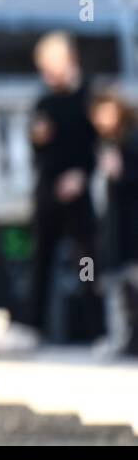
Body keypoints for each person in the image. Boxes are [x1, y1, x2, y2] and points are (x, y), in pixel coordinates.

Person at [24, 31, 99, 342]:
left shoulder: (90, 97)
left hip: (79, 192)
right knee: (40, 259)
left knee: (86, 262)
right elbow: (36, 151)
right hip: (48, 190)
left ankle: (98, 329)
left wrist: (81, 175)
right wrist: (37, 140)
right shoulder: (44, 101)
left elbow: (99, 146)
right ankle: (32, 328)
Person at [87, 89, 138, 357]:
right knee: (118, 289)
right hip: (116, 228)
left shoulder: (131, 139)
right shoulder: (107, 142)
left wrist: (122, 172)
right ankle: (123, 339)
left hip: (131, 226)